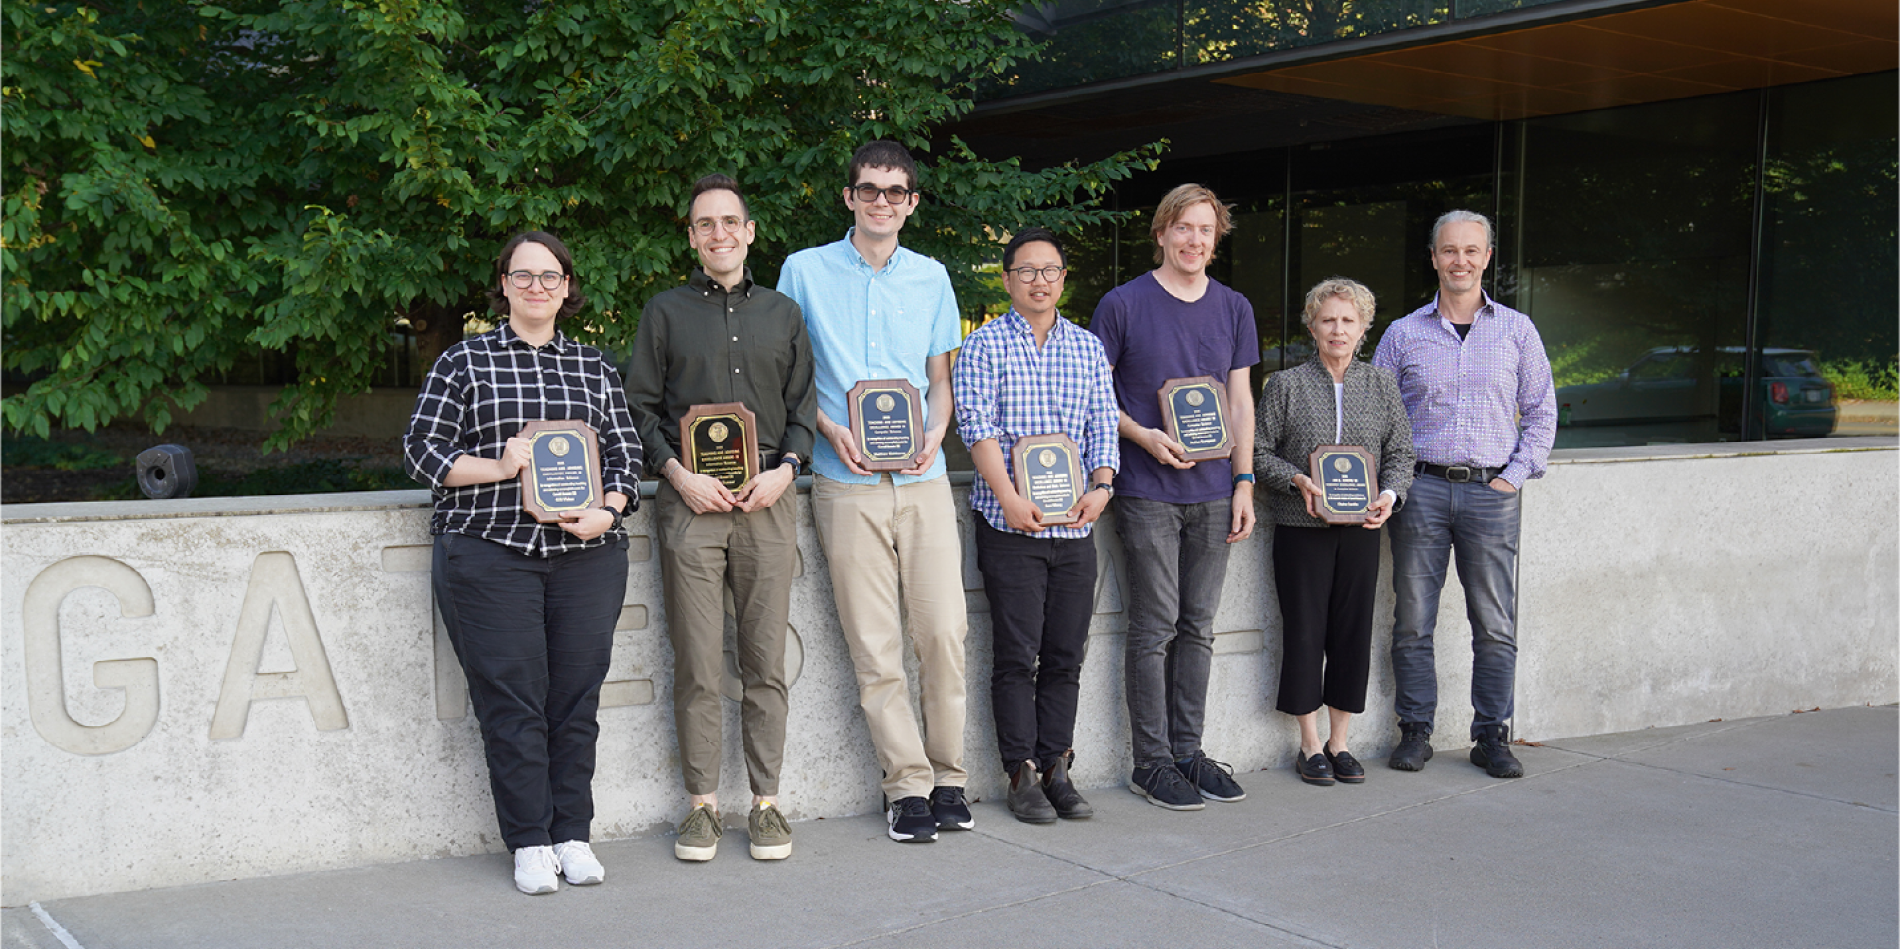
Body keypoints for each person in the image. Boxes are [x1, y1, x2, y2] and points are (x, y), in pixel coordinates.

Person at [403, 231, 641, 895]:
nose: (537, 286)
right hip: (489, 551)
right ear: (503, 284)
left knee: (575, 701)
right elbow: (423, 450)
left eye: (550, 275)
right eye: (523, 274)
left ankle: (573, 832)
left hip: (585, 556)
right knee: (511, 701)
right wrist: (500, 466)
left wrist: (611, 509)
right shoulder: (464, 361)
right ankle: (531, 840)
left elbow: (625, 456)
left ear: (568, 287)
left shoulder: (594, 367)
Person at [777, 140, 971, 843]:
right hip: (844, 478)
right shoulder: (803, 271)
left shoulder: (933, 276)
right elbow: (792, 378)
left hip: (921, 478)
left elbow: (940, 380)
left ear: (912, 202)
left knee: (944, 632)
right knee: (875, 642)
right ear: (848, 197)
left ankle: (951, 775)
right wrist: (831, 428)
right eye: (869, 189)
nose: (882, 201)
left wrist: (936, 434)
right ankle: (907, 785)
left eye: (896, 191)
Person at [624, 174, 816, 862]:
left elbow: (802, 411)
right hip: (691, 503)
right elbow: (639, 409)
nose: (719, 234)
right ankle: (702, 805)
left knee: (765, 661)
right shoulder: (665, 313)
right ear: (692, 237)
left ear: (750, 231)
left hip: (767, 498)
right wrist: (676, 474)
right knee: (700, 662)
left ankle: (766, 802)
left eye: (730, 221)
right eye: (705, 224)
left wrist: (784, 470)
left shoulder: (783, 314)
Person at [1090, 183, 1258, 812]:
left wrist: (1244, 482)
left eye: (1205, 231)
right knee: (1155, 626)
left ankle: (1189, 752)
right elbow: (1096, 397)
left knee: (1199, 628)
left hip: (1215, 491)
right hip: (1147, 489)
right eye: (1182, 228)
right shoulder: (1122, 305)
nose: (1193, 240)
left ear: (1216, 241)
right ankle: (1151, 762)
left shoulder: (1234, 307)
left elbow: (1240, 402)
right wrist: (1143, 435)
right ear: (1160, 233)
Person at [1372, 209, 1556, 779]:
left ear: (1487, 257)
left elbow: (1543, 412)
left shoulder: (1518, 330)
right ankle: (1416, 731)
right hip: (1421, 491)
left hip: (1491, 494)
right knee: (1413, 622)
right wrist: (1392, 485)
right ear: (1433, 258)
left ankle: (1491, 737)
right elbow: (1375, 414)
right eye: (1449, 250)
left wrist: (1514, 476)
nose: (1461, 260)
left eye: (1472, 250)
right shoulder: (1404, 333)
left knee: (1495, 623)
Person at [952, 227, 1119, 824]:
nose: (1040, 280)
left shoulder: (1086, 347)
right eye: (1027, 270)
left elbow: (1103, 422)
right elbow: (977, 426)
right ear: (1007, 279)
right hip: (1010, 525)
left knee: (1066, 654)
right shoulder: (985, 346)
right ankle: (1020, 773)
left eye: (1050, 270)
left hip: (1076, 527)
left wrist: (1102, 488)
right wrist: (1009, 497)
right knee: (1017, 655)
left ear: (1063, 279)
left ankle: (1058, 769)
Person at [1253, 278, 1414, 787]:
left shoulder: (1381, 386)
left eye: (1348, 321)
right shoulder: (1285, 385)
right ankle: (1308, 744)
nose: (1338, 329)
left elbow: (1402, 455)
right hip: (1301, 528)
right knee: (1304, 632)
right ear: (1312, 326)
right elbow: (1258, 454)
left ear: (1364, 328)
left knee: (1351, 633)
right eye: (1328, 320)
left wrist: (1388, 498)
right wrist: (1296, 479)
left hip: (1363, 530)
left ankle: (1341, 743)